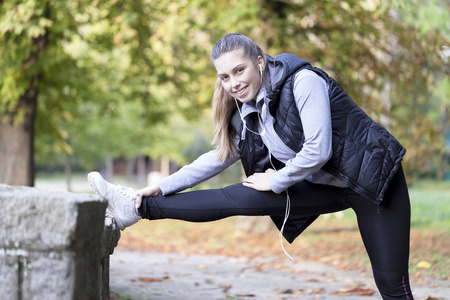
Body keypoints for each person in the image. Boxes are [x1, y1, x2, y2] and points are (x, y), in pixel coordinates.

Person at [88, 33, 414, 299]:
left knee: (391, 286)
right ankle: (135, 207)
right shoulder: (246, 112)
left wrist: (276, 180)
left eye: (239, 71)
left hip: (375, 184)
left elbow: (318, 149)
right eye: (225, 77)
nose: (233, 83)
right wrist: (162, 185)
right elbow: (217, 158)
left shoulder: (303, 81)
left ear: (260, 61)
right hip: (325, 186)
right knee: (236, 197)